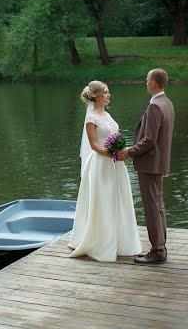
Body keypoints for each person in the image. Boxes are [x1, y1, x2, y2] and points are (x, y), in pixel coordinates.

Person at [68, 80, 142, 262]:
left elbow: (113, 135)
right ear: (97, 96)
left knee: (118, 200)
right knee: (104, 201)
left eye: (109, 92)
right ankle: (102, 243)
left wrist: (119, 152)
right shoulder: (91, 118)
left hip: (116, 165)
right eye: (106, 92)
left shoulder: (107, 115)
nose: (109, 95)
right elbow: (93, 145)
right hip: (102, 164)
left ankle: (121, 241)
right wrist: (112, 154)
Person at [117, 68, 174, 264]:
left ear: (155, 83)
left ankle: (158, 251)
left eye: (147, 80)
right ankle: (160, 247)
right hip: (158, 163)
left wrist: (129, 151)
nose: (145, 82)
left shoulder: (156, 106)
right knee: (157, 205)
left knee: (152, 207)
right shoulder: (167, 103)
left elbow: (149, 140)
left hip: (150, 164)